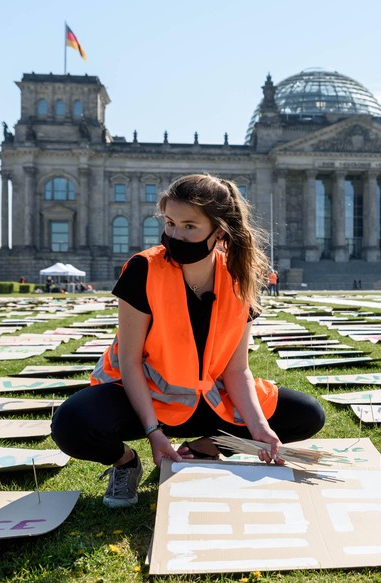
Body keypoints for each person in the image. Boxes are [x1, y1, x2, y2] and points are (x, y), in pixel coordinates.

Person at [51, 174, 325, 509]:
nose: (175, 235)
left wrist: (259, 430)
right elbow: (131, 360)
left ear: (219, 231)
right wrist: (153, 432)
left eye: (189, 226)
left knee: (307, 414)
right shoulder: (142, 269)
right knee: (71, 424)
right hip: (143, 398)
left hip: (207, 400)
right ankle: (125, 463)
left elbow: (237, 371)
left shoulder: (238, 277)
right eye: (170, 223)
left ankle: (204, 448)